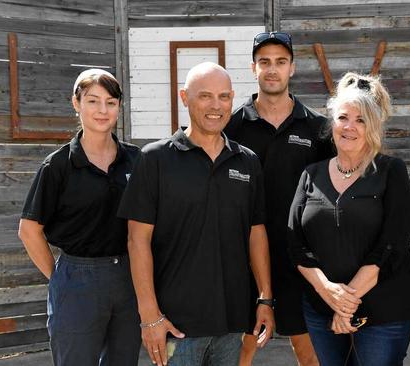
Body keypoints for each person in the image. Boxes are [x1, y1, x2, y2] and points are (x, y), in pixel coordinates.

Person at [117, 62, 274, 366]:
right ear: (184, 97)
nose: (216, 106)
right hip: (176, 327)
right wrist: (149, 316)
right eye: (205, 96)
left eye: (224, 97)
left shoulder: (247, 162)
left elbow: (257, 233)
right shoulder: (155, 159)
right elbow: (137, 242)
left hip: (233, 322)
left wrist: (265, 298)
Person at [288, 72, 410, 366]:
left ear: (373, 126)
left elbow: (391, 247)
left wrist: (345, 305)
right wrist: (327, 293)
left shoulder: (391, 172)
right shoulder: (312, 175)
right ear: (332, 121)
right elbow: (295, 244)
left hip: (382, 314)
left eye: (360, 120)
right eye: (343, 117)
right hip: (321, 311)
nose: (349, 127)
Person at [18, 69, 142, 365]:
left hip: (129, 277)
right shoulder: (58, 166)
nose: (102, 110)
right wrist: (61, 279)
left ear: (119, 107)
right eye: (92, 101)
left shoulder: (137, 160)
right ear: (76, 103)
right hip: (77, 277)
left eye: (111, 102)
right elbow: (29, 230)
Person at [224, 31, 331, 366]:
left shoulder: (317, 128)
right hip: (242, 256)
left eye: (280, 62)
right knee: (241, 348)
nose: (272, 69)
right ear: (253, 68)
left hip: (298, 257)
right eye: (264, 62)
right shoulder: (232, 126)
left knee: (309, 350)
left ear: (292, 68)